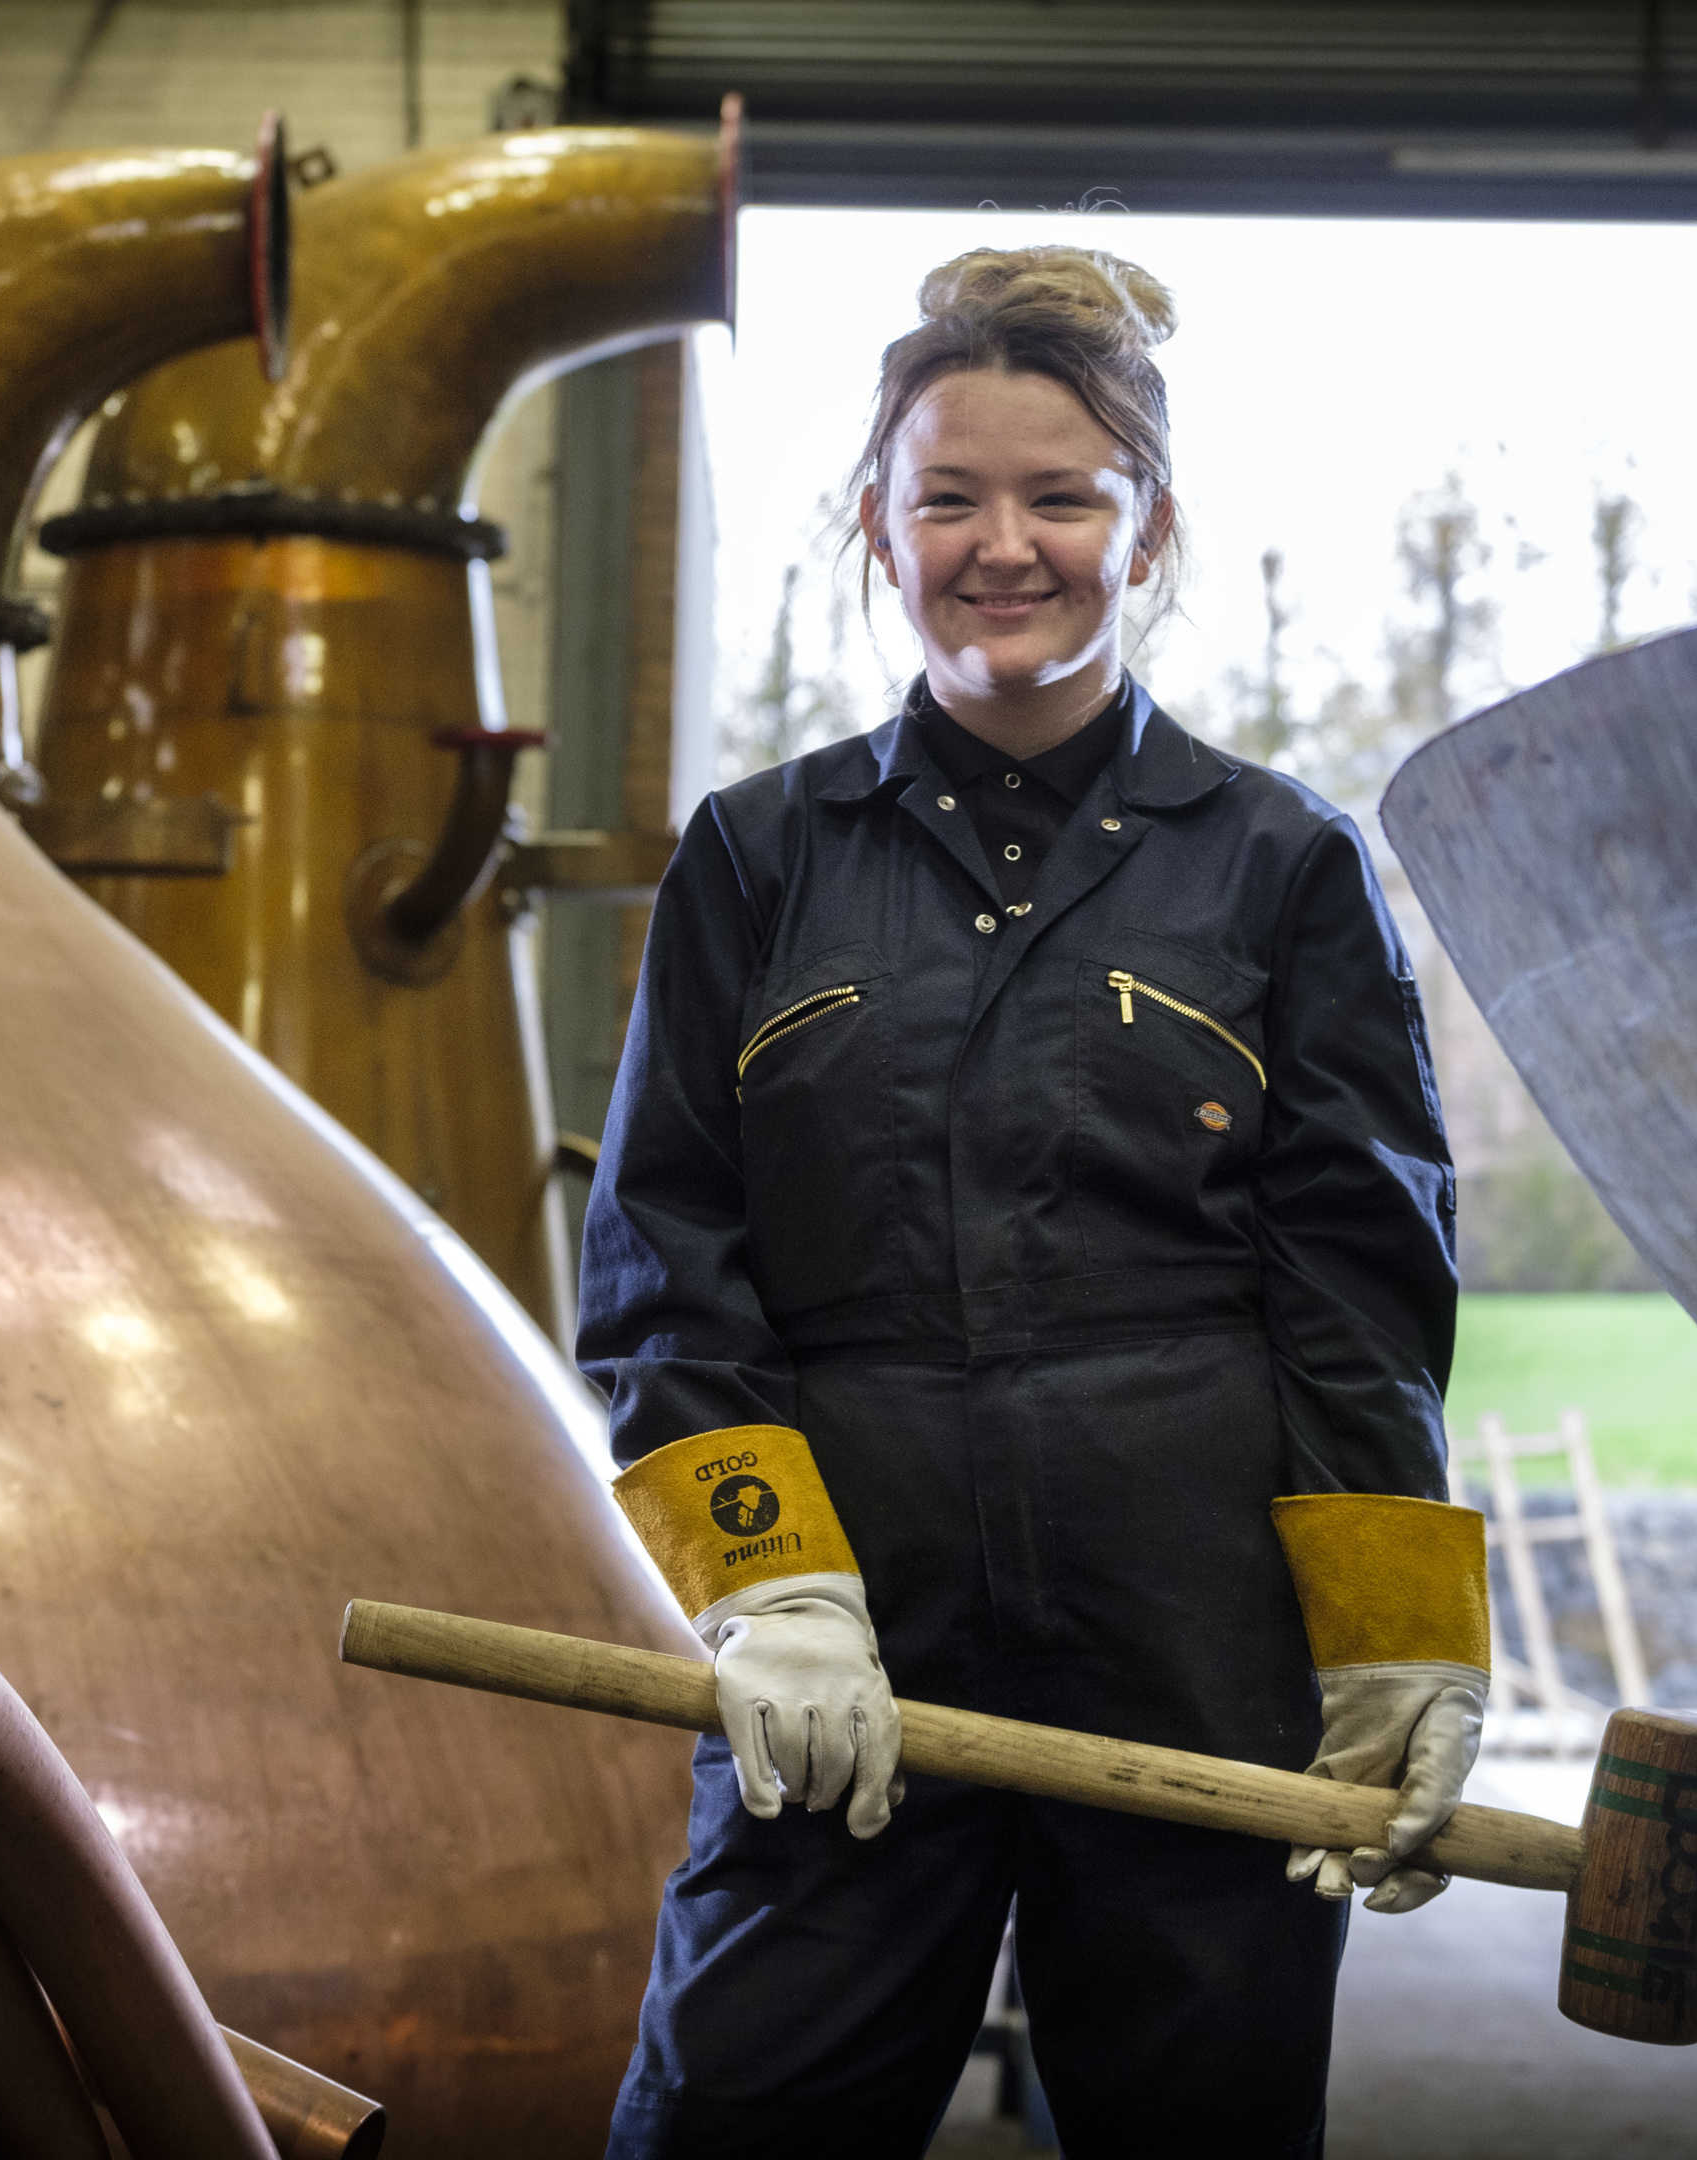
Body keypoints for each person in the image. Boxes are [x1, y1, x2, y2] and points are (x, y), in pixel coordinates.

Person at [579, 246, 1488, 2158]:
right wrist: (773, 1590)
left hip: (1193, 1646)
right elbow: (669, 1265)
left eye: (1064, 495)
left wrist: (1401, 1633)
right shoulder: (759, 857)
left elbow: (1358, 1284)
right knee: (736, 2115)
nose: (1008, 543)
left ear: (1151, 528)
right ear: (877, 525)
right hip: (853, 1646)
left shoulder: (1282, 864)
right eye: (949, 495)